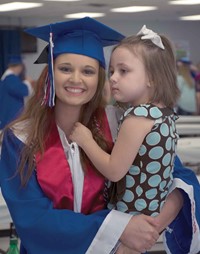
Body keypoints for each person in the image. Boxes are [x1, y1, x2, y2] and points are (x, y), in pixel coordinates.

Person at [0, 17, 199, 254]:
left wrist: (151, 226)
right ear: (50, 74)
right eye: (65, 69)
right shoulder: (21, 138)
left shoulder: (119, 123)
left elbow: (177, 175)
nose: (76, 79)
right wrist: (120, 228)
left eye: (88, 71)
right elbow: (32, 218)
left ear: (99, 78)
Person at [0, 55, 34, 130]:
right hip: (10, 117)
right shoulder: (10, 79)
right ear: (19, 66)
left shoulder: (6, 79)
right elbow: (24, 91)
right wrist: (27, 82)